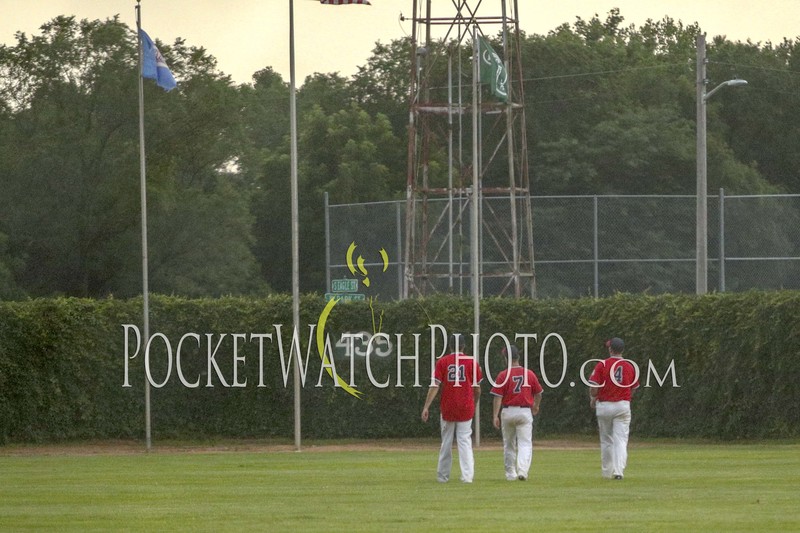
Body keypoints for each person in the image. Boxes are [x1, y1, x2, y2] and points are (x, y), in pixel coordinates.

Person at [421, 333, 483, 483]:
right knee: (464, 441)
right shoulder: (471, 362)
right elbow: (477, 388)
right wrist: (474, 402)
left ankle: (443, 476)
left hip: (448, 406)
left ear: (449, 346)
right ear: (463, 346)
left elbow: (434, 386)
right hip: (466, 406)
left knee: (446, 442)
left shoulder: (443, 362)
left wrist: (426, 406)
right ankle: (467, 477)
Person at [588, 337, 639, 480]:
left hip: (604, 405)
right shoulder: (629, 366)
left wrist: (593, 398)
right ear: (622, 350)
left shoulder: (602, 365)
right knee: (621, 440)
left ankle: (606, 472)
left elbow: (593, 388)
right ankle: (619, 471)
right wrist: (627, 398)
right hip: (622, 405)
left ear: (610, 349)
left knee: (606, 440)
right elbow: (634, 387)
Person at [491, 345, 543, 481]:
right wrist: (536, 406)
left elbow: (497, 397)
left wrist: (495, 415)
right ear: (518, 357)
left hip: (507, 411)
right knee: (525, 443)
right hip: (524, 411)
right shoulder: (529, 374)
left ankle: (510, 474)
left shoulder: (503, 375)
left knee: (509, 444)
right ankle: (522, 471)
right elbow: (539, 393)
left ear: (506, 358)